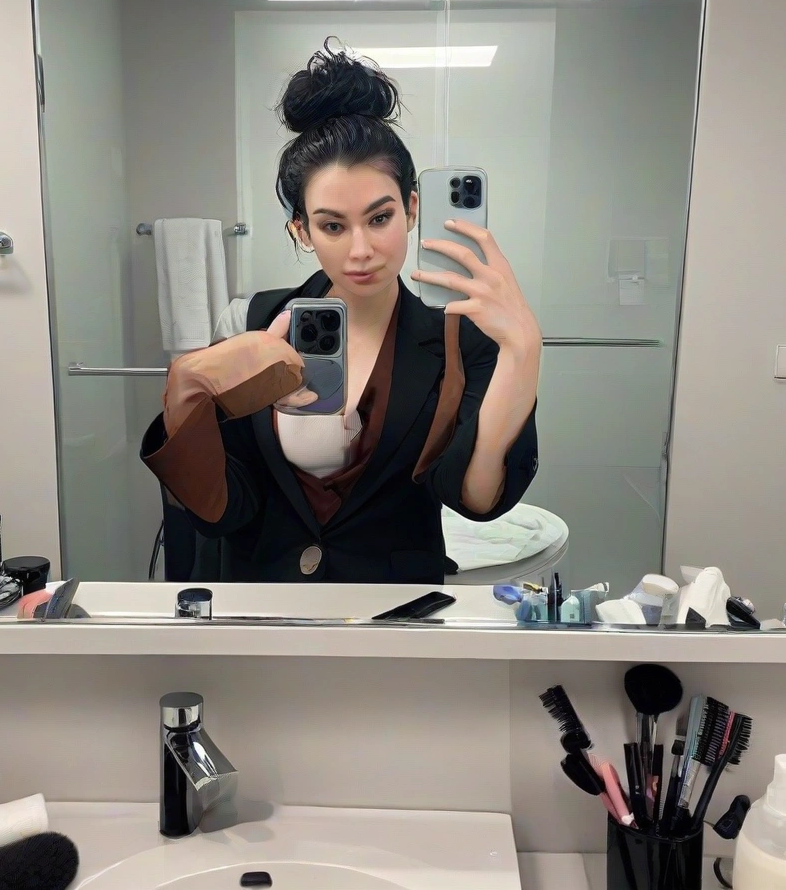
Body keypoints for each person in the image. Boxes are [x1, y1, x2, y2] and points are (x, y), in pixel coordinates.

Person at [141, 39, 541, 583]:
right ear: (301, 230)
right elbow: (221, 509)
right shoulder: (252, 322)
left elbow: (475, 498)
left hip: (394, 605)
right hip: (263, 598)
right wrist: (188, 389)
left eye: (379, 218)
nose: (360, 250)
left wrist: (523, 350)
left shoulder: (458, 340)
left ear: (412, 209)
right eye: (332, 225)